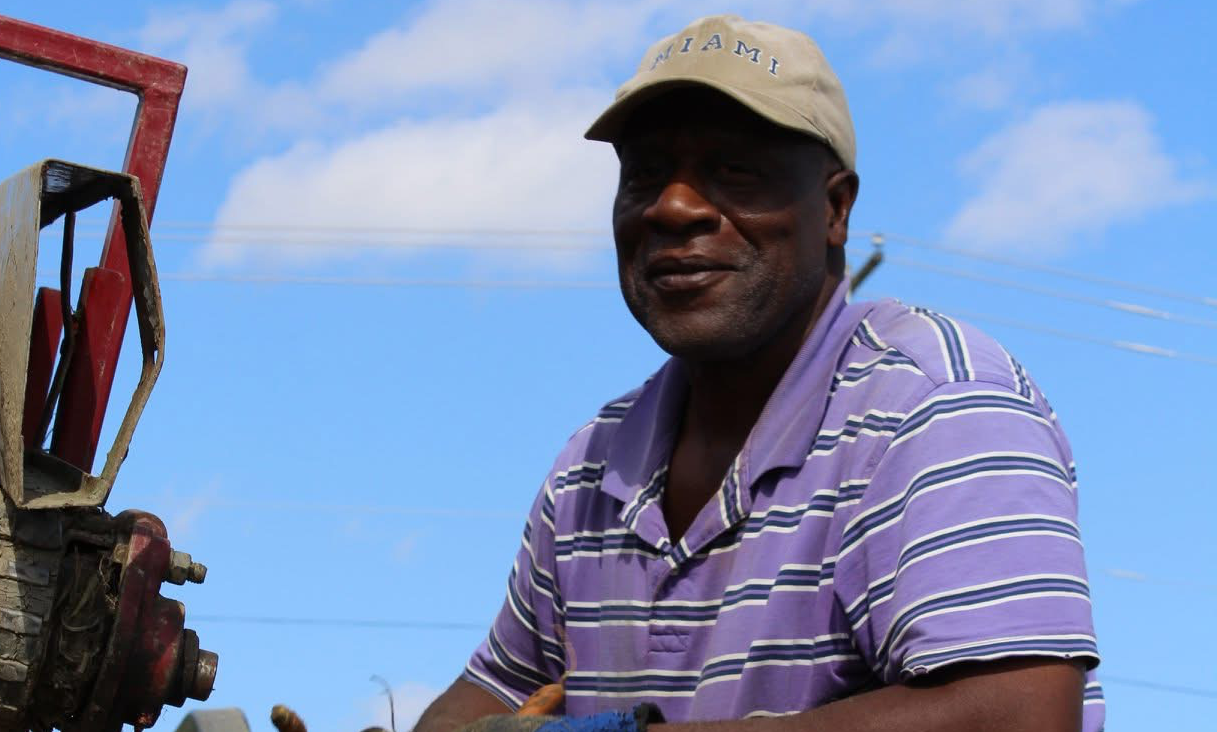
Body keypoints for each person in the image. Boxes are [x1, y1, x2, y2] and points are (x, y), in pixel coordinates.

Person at [416, 14, 1102, 732]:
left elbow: (1016, 716)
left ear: (835, 208)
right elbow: (487, 696)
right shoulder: (593, 467)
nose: (673, 207)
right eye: (644, 174)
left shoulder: (934, 406)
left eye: (734, 170)